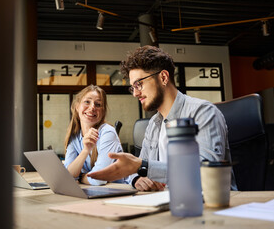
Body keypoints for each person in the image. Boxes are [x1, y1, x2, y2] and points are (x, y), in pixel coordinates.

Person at [88, 45, 237, 191]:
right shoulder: (153, 124)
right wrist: (137, 178)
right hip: (167, 203)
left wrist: (144, 167)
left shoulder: (203, 112)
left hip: (209, 205)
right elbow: (137, 167)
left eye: (139, 84)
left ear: (164, 77)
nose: (135, 93)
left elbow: (207, 172)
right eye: (133, 87)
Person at [64, 84, 126, 186]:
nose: (92, 107)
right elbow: (68, 176)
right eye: (87, 102)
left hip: (117, 192)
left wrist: (80, 177)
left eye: (98, 104)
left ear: (103, 111)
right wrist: (85, 150)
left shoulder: (108, 132)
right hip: (91, 192)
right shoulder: (74, 136)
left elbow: (99, 179)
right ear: (77, 107)